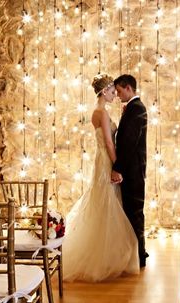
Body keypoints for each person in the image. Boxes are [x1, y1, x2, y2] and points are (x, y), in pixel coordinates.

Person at [63, 74, 139, 282]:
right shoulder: (102, 114)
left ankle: (107, 252)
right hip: (106, 160)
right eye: (113, 92)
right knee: (108, 203)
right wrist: (117, 166)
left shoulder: (96, 112)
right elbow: (108, 141)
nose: (115, 95)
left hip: (100, 160)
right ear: (104, 92)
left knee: (104, 202)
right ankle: (107, 256)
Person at [111, 74, 148, 268]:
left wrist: (117, 168)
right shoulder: (134, 109)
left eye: (118, 91)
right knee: (132, 212)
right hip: (133, 169)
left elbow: (128, 144)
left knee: (134, 213)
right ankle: (137, 252)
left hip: (132, 171)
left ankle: (139, 257)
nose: (117, 95)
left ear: (128, 88)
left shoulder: (136, 109)